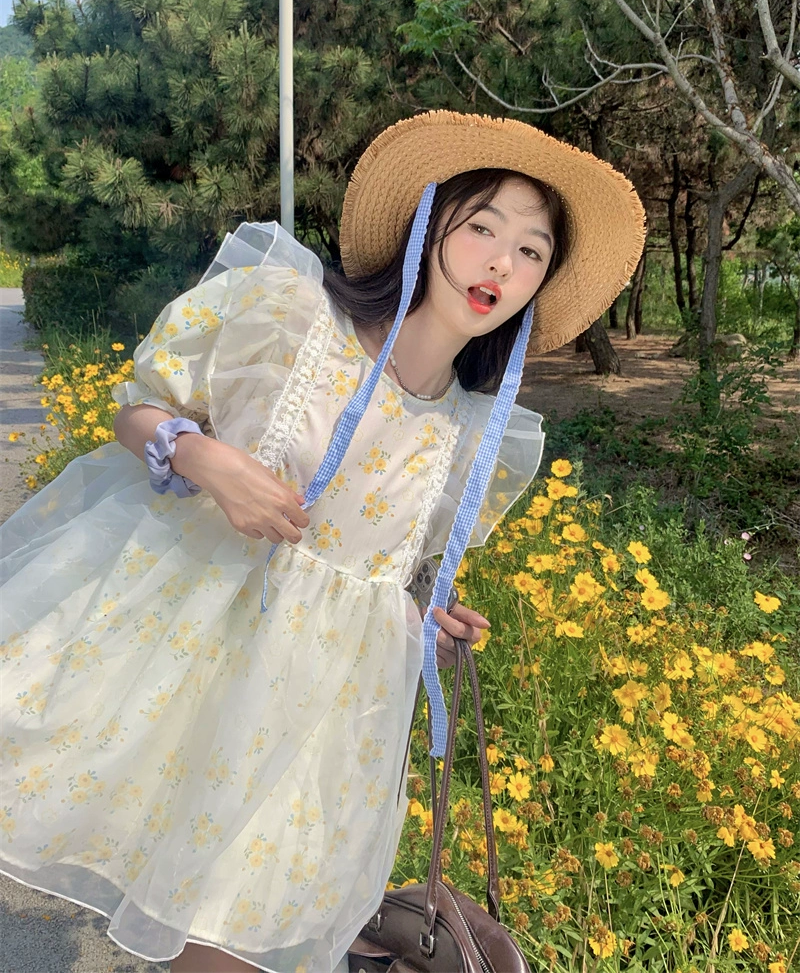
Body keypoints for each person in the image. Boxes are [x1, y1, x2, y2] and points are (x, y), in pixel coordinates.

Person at [0, 110, 645, 973]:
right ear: (426, 228)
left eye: (531, 250)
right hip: (189, 655)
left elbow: (390, 567)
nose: (502, 263)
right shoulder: (289, 315)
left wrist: (427, 616)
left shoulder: (472, 434)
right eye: (482, 228)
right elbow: (137, 409)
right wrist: (207, 461)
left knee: (235, 940)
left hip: (320, 721)